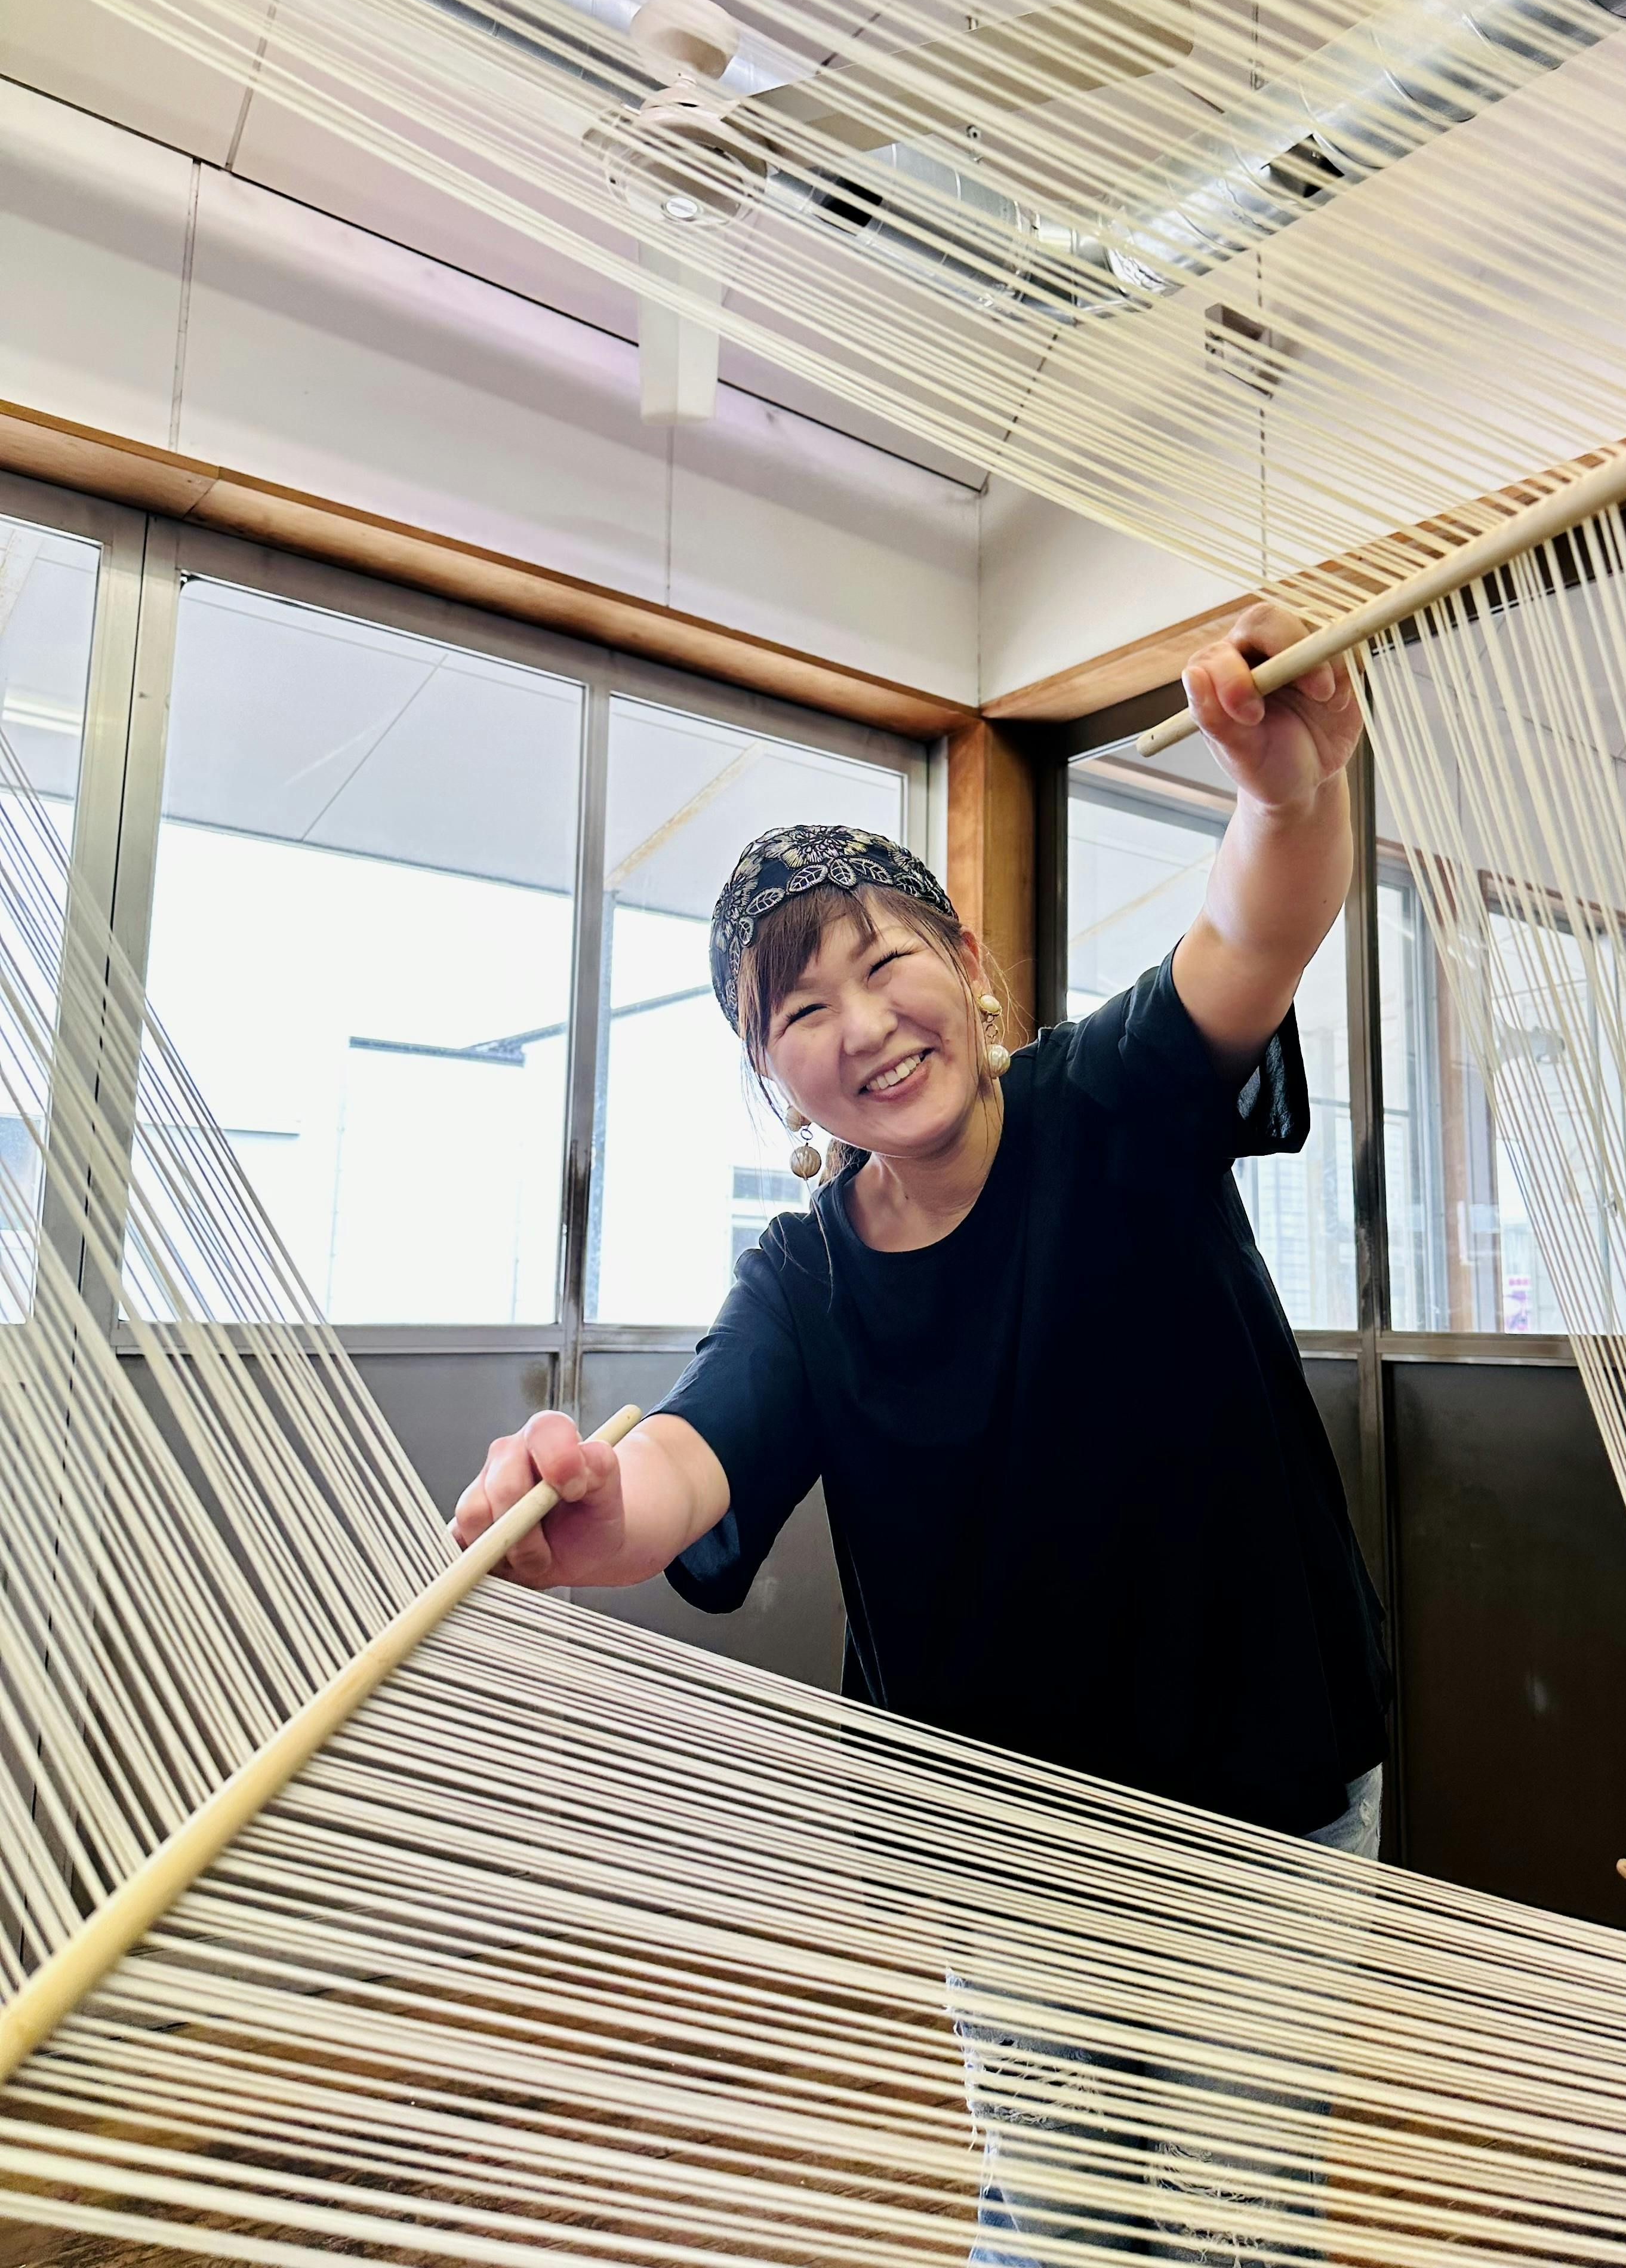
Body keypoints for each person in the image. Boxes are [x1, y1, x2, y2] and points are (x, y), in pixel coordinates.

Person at [454, 600, 1391, 2263]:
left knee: (1238, 2231)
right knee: (1057, 2221)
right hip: (1005, 1846)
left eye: (886, 963)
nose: (864, 1024)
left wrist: (1283, 790)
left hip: (1259, 1787)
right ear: (773, 1079)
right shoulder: (803, 1274)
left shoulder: (1114, 1101)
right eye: (799, 1012)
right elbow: (695, 1443)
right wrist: (597, 1499)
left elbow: (1256, 927)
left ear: (967, 964)